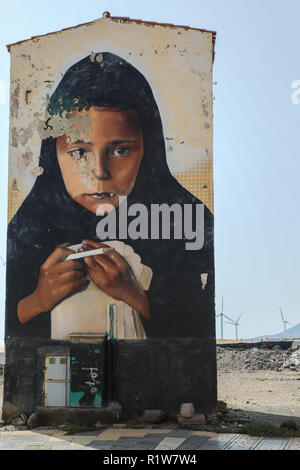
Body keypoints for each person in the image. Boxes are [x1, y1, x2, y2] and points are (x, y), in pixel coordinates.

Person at [5, 52, 215, 340]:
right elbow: (14, 330)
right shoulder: (28, 228)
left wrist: (134, 295)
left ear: (148, 149)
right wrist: (38, 300)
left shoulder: (186, 219)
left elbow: (199, 333)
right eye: (79, 152)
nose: (100, 172)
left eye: (120, 150)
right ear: (53, 152)